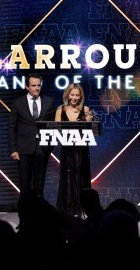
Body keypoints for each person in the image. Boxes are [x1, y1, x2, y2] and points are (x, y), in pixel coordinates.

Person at [8, 73, 55, 196]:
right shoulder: (17, 102)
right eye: (33, 85)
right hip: (23, 149)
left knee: (39, 184)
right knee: (24, 184)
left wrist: (49, 147)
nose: (37, 88)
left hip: (42, 148)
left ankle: (39, 211)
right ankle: (25, 211)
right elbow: (12, 127)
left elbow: (52, 126)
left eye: (39, 85)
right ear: (26, 87)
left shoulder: (49, 101)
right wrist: (13, 149)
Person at [55, 83, 93, 216]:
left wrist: (89, 122)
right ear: (67, 95)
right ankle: (66, 209)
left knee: (80, 177)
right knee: (67, 177)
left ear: (80, 96)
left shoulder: (86, 109)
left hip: (81, 149)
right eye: (72, 94)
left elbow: (91, 131)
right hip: (67, 149)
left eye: (77, 95)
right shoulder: (61, 109)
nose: (75, 97)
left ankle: (82, 208)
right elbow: (56, 129)